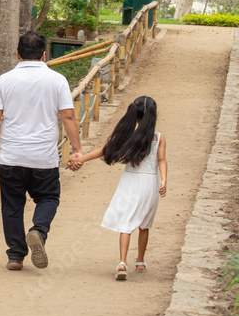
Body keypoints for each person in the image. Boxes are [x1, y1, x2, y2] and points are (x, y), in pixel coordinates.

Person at [0, 31, 83, 271]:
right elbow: (68, 116)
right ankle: (38, 230)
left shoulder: (4, 80)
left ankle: (16, 256)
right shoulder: (57, 80)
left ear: (17, 54)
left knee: (12, 206)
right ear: (44, 54)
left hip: (11, 156)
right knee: (48, 198)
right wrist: (77, 149)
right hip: (43, 158)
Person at [67, 96, 166, 280]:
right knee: (145, 224)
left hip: (130, 181)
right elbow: (161, 160)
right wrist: (164, 180)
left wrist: (79, 159)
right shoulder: (159, 138)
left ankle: (122, 262)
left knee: (126, 223)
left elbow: (104, 150)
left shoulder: (127, 135)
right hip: (150, 183)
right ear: (153, 115)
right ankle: (140, 260)